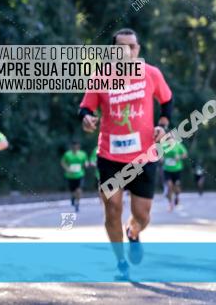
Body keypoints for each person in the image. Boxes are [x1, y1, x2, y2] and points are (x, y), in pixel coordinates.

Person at [79, 28, 174, 279]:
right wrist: (87, 119)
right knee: (112, 209)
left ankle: (133, 232)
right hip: (109, 156)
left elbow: (167, 101)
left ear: (138, 49)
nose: (127, 51)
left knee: (142, 215)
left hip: (144, 157)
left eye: (132, 46)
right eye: (122, 46)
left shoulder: (151, 74)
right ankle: (121, 262)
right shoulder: (100, 77)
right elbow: (86, 108)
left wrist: (162, 125)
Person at [61, 141, 88, 212]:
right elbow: (63, 162)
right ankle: (73, 198)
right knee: (72, 191)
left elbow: (85, 162)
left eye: (77, 146)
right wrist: (67, 169)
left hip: (80, 175)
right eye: (74, 147)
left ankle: (77, 204)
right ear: (72, 147)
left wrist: (86, 165)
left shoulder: (83, 154)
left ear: (78, 147)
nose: (75, 148)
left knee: (79, 190)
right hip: (70, 176)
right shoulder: (67, 154)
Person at [161, 139, 188, 211]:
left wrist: (179, 157)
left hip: (177, 170)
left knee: (176, 186)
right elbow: (160, 156)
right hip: (167, 170)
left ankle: (177, 197)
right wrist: (161, 158)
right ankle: (170, 204)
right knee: (169, 186)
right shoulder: (164, 146)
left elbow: (185, 154)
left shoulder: (178, 146)